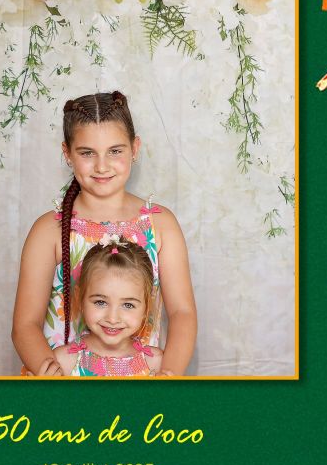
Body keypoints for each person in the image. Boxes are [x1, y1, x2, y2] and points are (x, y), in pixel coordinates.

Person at [12, 91, 196, 376]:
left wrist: (167, 376)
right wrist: (53, 379)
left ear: (134, 148)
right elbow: (25, 325)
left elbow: (182, 313)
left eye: (115, 151)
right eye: (87, 153)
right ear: (67, 154)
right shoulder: (48, 230)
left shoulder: (161, 225)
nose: (101, 165)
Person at [42, 237, 164, 377]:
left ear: (146, 307)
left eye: (128, 305)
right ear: (80, 298)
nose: (112, 319)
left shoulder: (155, 363)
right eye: (100, 302)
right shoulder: (63, 362)